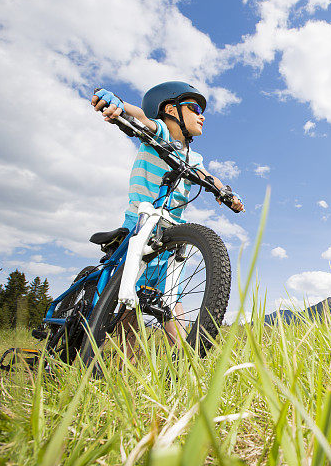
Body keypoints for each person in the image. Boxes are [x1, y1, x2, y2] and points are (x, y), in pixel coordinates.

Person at [90, 82, 243, 351]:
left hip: (170, 231)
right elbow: (140, 118)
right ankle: (130, 366)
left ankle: (187, 360)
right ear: (171, 110)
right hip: (140, 223)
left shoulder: (192, 156)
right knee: (129, 300)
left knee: (171, 297)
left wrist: (225, 193)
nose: (202, 115)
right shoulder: (160, 133)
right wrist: (118, 104)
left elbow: (207, 176)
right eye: (194, 108)